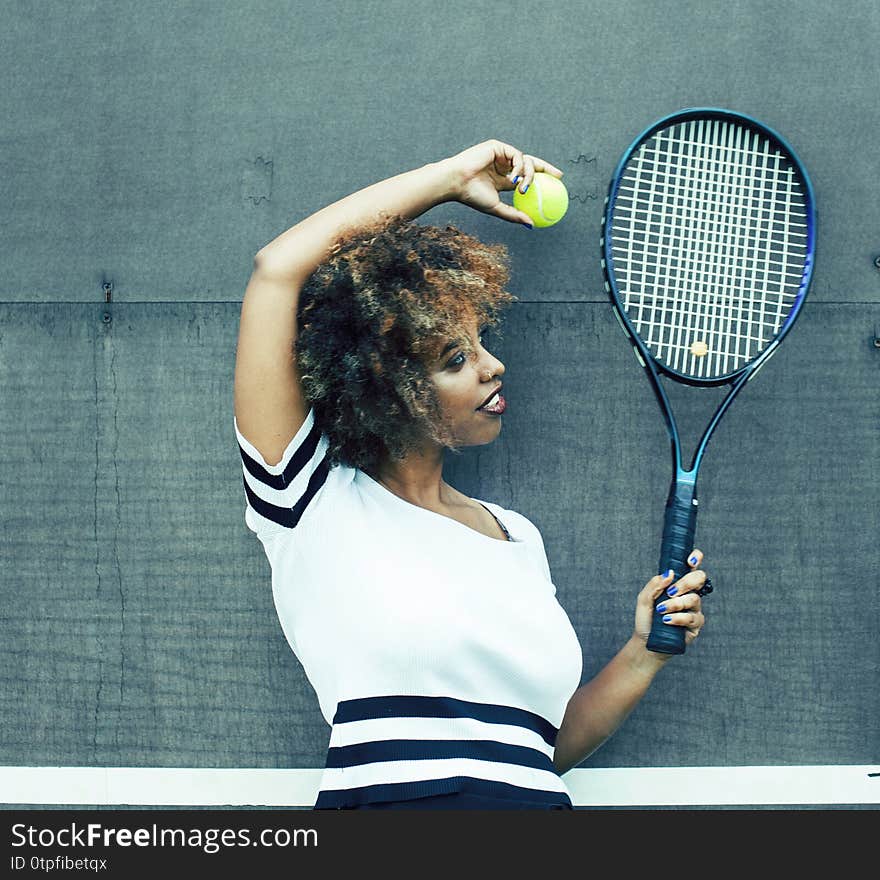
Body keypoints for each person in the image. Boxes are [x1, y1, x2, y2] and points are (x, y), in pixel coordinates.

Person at [232, 140, 709, 810]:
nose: (493, 366)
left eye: (484, 343)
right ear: (385, 382)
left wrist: (641, 655)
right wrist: (452, 179)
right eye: (455, 357)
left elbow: (534, 753)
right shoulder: (310, 499)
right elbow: (277, 270)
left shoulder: (515, 538)